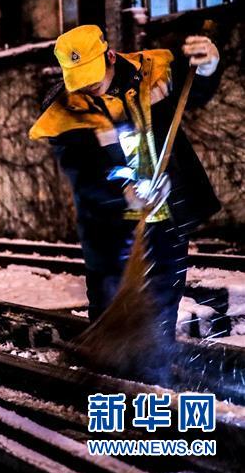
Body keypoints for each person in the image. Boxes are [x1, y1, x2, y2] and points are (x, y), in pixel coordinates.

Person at [29, 25, 222, 380]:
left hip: (165, 218)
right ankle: (111, 389)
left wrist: (208, 67)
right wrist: (122, 192)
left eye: (92, 75)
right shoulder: (66, 112)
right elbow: (83, 176)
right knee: (109, 309)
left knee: (163, 301)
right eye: (79, 79)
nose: (88, 87)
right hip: (110, 230)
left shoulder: (154, 72)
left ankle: (154, 383)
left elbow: (195, 92)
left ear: (111, 56)